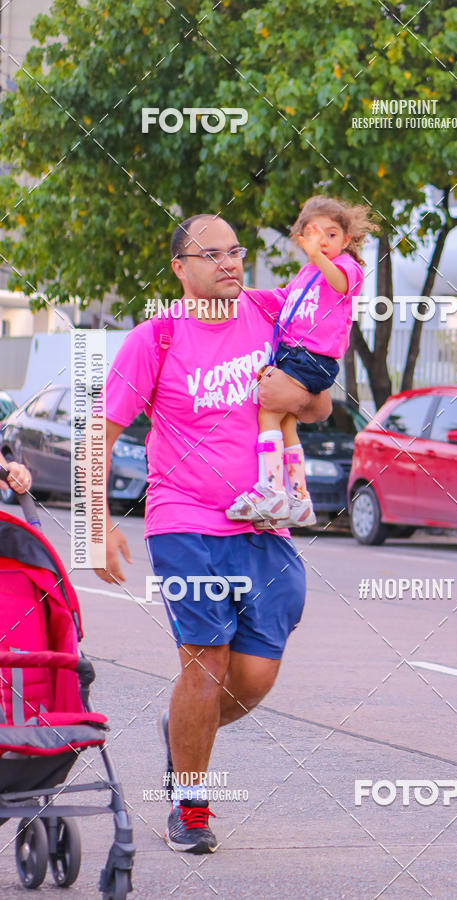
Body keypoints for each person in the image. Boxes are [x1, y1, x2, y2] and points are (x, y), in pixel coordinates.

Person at [94, 214, 332, 855]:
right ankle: (191, 805)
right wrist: (99, 529)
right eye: (211, 254)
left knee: (252, 679)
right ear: (179, 267)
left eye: (236, 251)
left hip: (263, 522)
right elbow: (102, 434)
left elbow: (320, 403)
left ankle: (183, 735)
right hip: (185, 522)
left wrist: (299, 396)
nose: (229, 263)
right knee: (207, 663)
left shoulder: (272, 312)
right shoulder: (157, 339)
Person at [226, 196, 374, 527]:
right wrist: (242, 291)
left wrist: (317, 257)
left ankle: (270, 490)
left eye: (331, 235)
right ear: (301, 236)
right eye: (314, 234)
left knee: (268, 412)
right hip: (296, 356)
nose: (322, 241)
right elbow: (280, 300)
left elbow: (340, 283)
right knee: (285, 423)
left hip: (311, 357)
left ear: (346, 240)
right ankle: (299, 497)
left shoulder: (345, 267)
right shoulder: (307, 273)